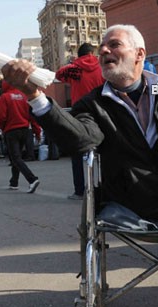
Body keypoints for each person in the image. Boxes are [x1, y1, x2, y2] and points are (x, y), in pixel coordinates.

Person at [1, 24, 158, 231]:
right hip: (126, 207)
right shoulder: (92, 105)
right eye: (102, 46)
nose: (103, 50)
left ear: (140, 54)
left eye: (114, 44)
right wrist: (35, 96)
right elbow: (80, 140)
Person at [56, 43, 105, 200]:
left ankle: (79, 191)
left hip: (80, 112)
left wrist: (73, 63)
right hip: (100, 110)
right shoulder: (102, 65)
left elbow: (58, 74)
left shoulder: (74, 68)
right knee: (105, 150)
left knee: (76, 151)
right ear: (92, 53)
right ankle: (106, 189)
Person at [0, 81, 42, 193]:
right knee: (16, 157)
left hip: (11, 130)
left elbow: (2, 117)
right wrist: (37, 131)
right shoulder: (23, 96)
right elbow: (32, 115)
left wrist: (3, 128)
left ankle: (32, 179)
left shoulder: (4, 97)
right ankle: (14, 182)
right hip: (25, 129)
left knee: (16, 157)